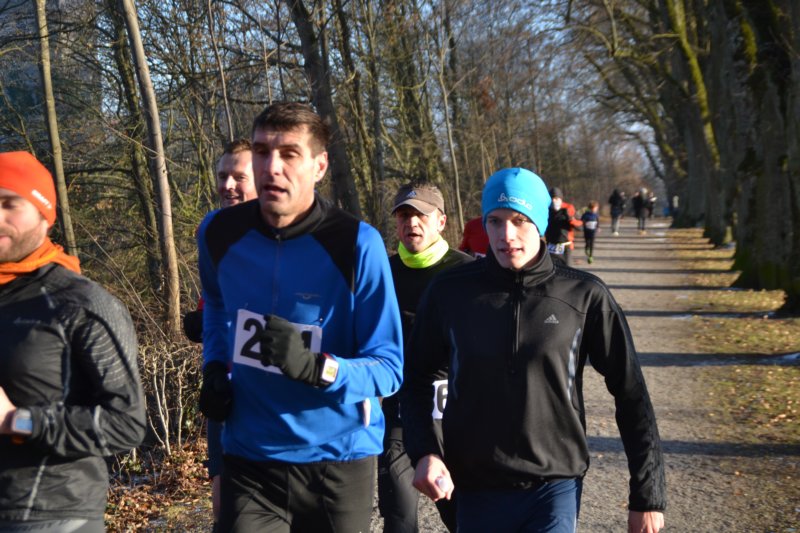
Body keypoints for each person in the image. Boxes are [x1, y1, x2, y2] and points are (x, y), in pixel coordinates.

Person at [401, 167, 666, 533]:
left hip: (554, 484)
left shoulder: (583, 295)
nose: (506, 235)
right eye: (495, 221)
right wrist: (426, 452)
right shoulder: (451, 291)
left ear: (540, 223)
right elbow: (416, 377)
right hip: (474, 486)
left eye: (520, 220)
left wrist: (647, 496)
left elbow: (631, 392)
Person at [197, 102, 403, 532]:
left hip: (337, 459)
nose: (271, 167)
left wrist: (316, 368)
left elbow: (389, 368)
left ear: (319, 166)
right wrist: (214, 366)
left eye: (289, 154)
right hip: (250, 457)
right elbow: (215, 305)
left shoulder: (356, 244)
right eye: (261, 152)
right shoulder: (218, 233)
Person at [0, 151, 146, 531]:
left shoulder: (81, 303)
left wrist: (17, 420)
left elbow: (126, 424)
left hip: (51, 516)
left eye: (9, 204)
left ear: (44, 215)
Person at [379, 181, 472, 533]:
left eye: (421, 215)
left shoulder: (466, 273)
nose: (411, 223)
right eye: (404, 215)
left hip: (457, 413)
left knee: (462, 516)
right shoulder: (382, 272)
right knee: (398, 513)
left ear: (441, 221)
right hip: (402, 409)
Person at [182, 138, 257, 530]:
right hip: (226, 381)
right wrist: (211, 360)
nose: (227, 185)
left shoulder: (291, 231)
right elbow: (213, 298)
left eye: (238, 177)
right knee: (224, 507)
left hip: (276, 387)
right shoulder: (210, 228)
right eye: (222, 176)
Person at [544, 186, 582, 266]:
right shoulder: (546, 209)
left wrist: (570, 219)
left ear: (561, 199)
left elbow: (580, 226)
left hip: (565, 245)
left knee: (567, 269)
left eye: (556, 198)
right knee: (551, 269)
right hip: (550, 245)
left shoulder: (568, 208)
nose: (554, 201)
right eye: (552, 199)